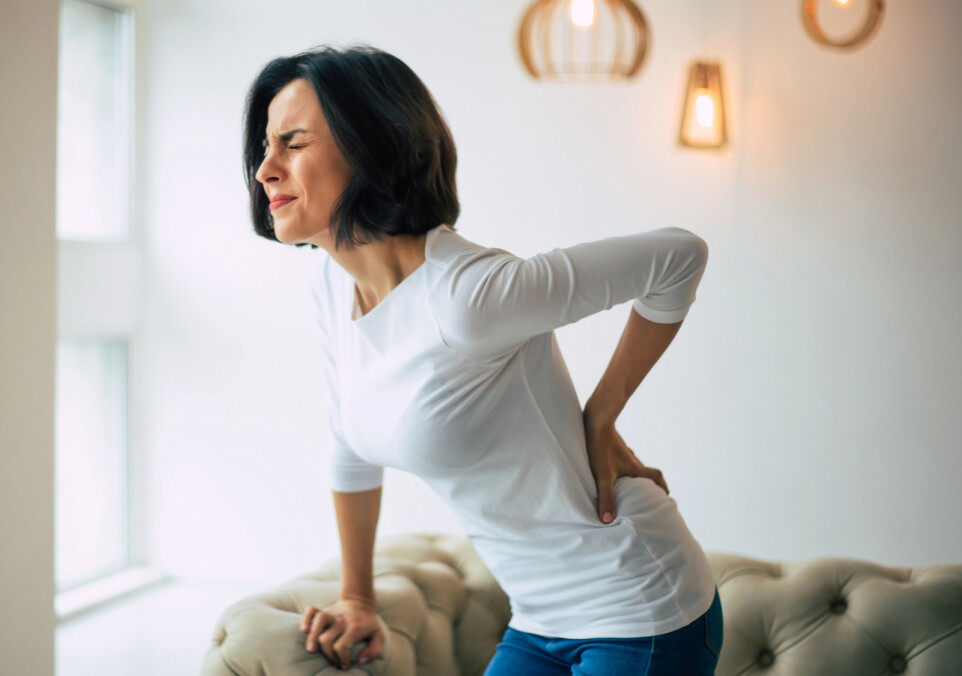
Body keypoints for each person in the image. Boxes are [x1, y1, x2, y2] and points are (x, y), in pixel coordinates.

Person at [241, 44, 722, 675]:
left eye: (293, 143)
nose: (265, 170)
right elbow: (350, 446)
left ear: (371, 147)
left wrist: (600, 415)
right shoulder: (333, 288)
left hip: (640, 606)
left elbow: (678, 256)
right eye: (265, 147)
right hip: (538, 619)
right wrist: (357, 597)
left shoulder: (465, 295)